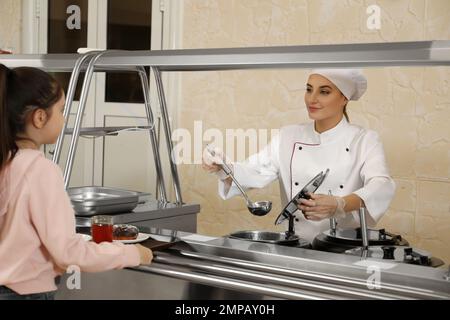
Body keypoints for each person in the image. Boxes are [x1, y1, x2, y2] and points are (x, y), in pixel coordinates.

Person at [0, 64, 153, 300]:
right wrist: (132, 254)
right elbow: (68, 253)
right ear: (40, 117)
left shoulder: (6, 161)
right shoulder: (40, 169)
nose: (63, 119)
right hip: (25, 293)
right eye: (61, 111)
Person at [203, 69, 396, 242]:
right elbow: (254, 171)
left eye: (324, 92)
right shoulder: (289, 136)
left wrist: (340, 204)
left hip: (343, 250)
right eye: (309, 89)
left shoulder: (364, 140)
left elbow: (381, 185)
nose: (312, 99)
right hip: (295, 246)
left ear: (344, 98)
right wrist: (224, 167)